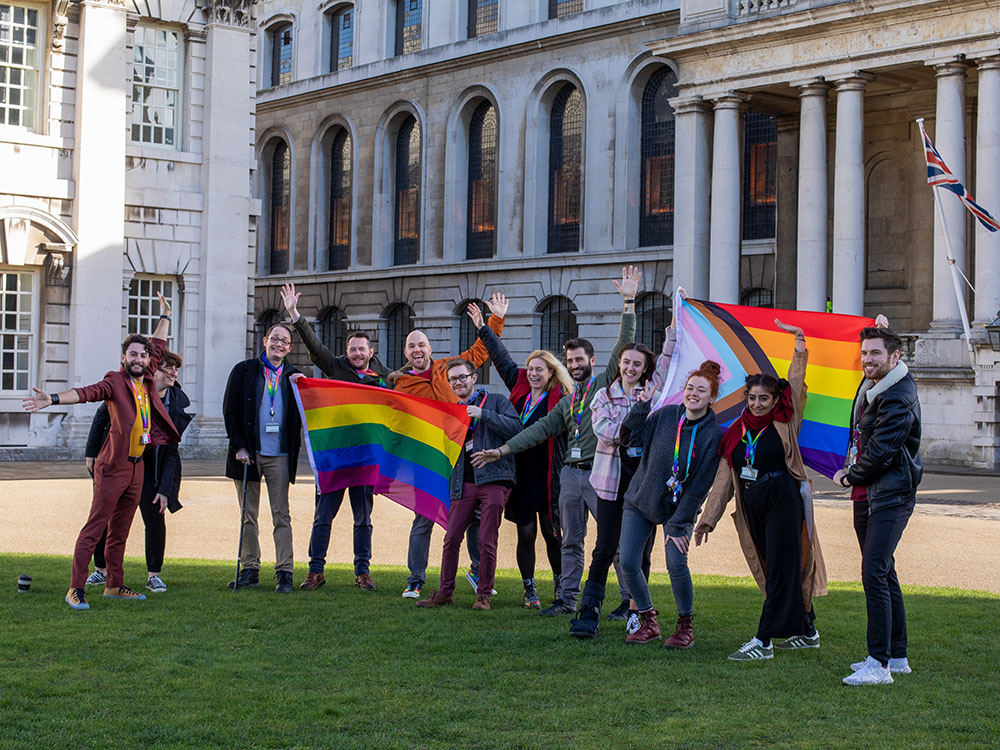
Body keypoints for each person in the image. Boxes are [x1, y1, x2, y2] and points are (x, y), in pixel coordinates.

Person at [471, 266, 639, 616]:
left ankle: (628, 601)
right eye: (571, 360)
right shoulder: (568, 401)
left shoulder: (604, 386)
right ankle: (567, 599)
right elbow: (535, 431)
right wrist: (501, 450)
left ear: (592, 362)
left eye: (581, 360)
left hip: (600, 474)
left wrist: (629, 302)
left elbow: (623, 346)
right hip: (570, 477)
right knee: (571, 542)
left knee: (616, 542)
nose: (576, 364)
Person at [23, 292, 179, 610]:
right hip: (112, 467)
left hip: (137, 467)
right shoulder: (115, 382)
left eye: (143, 355)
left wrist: (166, 316)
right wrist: (51, 399)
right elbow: (85, 393)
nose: (139, 359)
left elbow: (158, 344)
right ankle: (75, 588)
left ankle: (114, 585)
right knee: (96, 528)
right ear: (123, 358)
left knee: (120, 531)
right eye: (133, 355)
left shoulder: (147, 380)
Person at [695, 320, 827, 661]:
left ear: (774, 399)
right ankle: (807, 630)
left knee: (783, 568)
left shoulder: (784, 421)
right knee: (775, 568)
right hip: (753, 505)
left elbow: (796, 386)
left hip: (782, 500)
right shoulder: (735, 432)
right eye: (752, 397)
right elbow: (725, 480)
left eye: (763, 398)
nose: (756, 403)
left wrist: (799, 348)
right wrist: (708, 518)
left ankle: (763, 641)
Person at [389, 293, 507, 600]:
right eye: (411, 346)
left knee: (472, 515)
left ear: (430, 349)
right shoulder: (401, 385)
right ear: (406, 352)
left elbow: (481, 352)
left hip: (461, 455)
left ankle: (477, 571)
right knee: (424, 517)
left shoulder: (447, 368)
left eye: (421, 344)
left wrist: (494, 320)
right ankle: (415, 579)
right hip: (428, 458)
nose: (417, 350)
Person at [281, 283, 387, 592]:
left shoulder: (383, 376)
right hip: (335, 457)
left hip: (366, 459)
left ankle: (362, 571)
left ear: (370, 352)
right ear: (348, 352)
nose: (357, 353)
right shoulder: (336, 367)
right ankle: (316, 570)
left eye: (361, 349)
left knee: (363, 519)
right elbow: (315, 347)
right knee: (323, 516)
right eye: (352, 349)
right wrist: (295, 314)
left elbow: (408, 387)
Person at [833, 324, 921, 686]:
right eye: (864, 353)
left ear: (894, 357)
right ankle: (896, 656)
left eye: (875, 354)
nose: (867, 360)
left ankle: (879, 664)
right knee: (884, 571)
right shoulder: (873, 387)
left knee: (874, 572)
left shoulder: (897, 396)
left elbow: (883, 450)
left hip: (889, 492)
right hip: (871, 492)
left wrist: (848, 476)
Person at [470, 299, 570, 609]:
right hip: (520, 471)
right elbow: (500, 358)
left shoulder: (561, 397)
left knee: (552, 533)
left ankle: (559, 584)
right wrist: (485, 327)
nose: (535, 373)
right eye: (532, 369)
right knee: (525, 531)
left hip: (548, 472)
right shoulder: (519, 388)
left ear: (552, 372)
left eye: (541, 369)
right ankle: (530, 589)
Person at [618, 359, 724, 647]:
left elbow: (701, 484)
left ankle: (684, 627)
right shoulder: (664, 416)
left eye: (701, 390)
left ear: (712, 397)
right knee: (627, 561)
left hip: (679, 509)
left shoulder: (714, 434)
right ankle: (648, 620)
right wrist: (641, 407)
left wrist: (679, 524)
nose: (693, 394)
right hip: (642, 497)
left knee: (676, 563)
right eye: (690, 388)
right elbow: (628, 439)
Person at [567, 341, 657, 638]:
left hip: (644, 485)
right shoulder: (603, 396)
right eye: (626, 362)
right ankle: (590, 609)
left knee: (641, 552)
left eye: (637, 364)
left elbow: (648, 435)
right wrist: (637, 415)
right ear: (619, 363)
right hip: (611, 485)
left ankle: (637, 612)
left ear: (645, 369)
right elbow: (606, 433)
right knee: (604, 547)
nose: (630, 368)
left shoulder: (655, 398)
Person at [416, 359, 522, 610]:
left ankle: (484, 595)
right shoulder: (451, 410)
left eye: (462, 377)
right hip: (462, 483)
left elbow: (517, 429)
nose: (458, 382)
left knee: (487, 539)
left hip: (494, 479)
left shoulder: (495, 401)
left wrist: (483, 414)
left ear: (474, 378)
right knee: (451, 538)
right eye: (453, 379)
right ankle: (444, 592)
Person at [83, 350, 192, 593]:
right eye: (168, 368)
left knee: (155, 518)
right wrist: (91, 452)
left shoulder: (175, 403)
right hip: (119, 462)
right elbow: (102, 416)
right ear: (155, 371)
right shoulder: (134, 390)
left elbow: (172, 452)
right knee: (106, 517)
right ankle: (100, 570)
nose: (174, 373)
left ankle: (154, 575)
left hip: (151, 469)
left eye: (176, 369)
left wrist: (166, 489)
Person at [222, 322, 304, 594]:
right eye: (275, 339)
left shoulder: (295, 376)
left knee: (281, 514)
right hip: (249, 455)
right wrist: (239, 447)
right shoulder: (244, 370)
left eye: (285, 341)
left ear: (290, 348)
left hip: (279, 455)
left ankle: (285, 572)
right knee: (248, 514)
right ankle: (250, 568)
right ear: (265, 340)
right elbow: (230, 412)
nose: (279, 344)